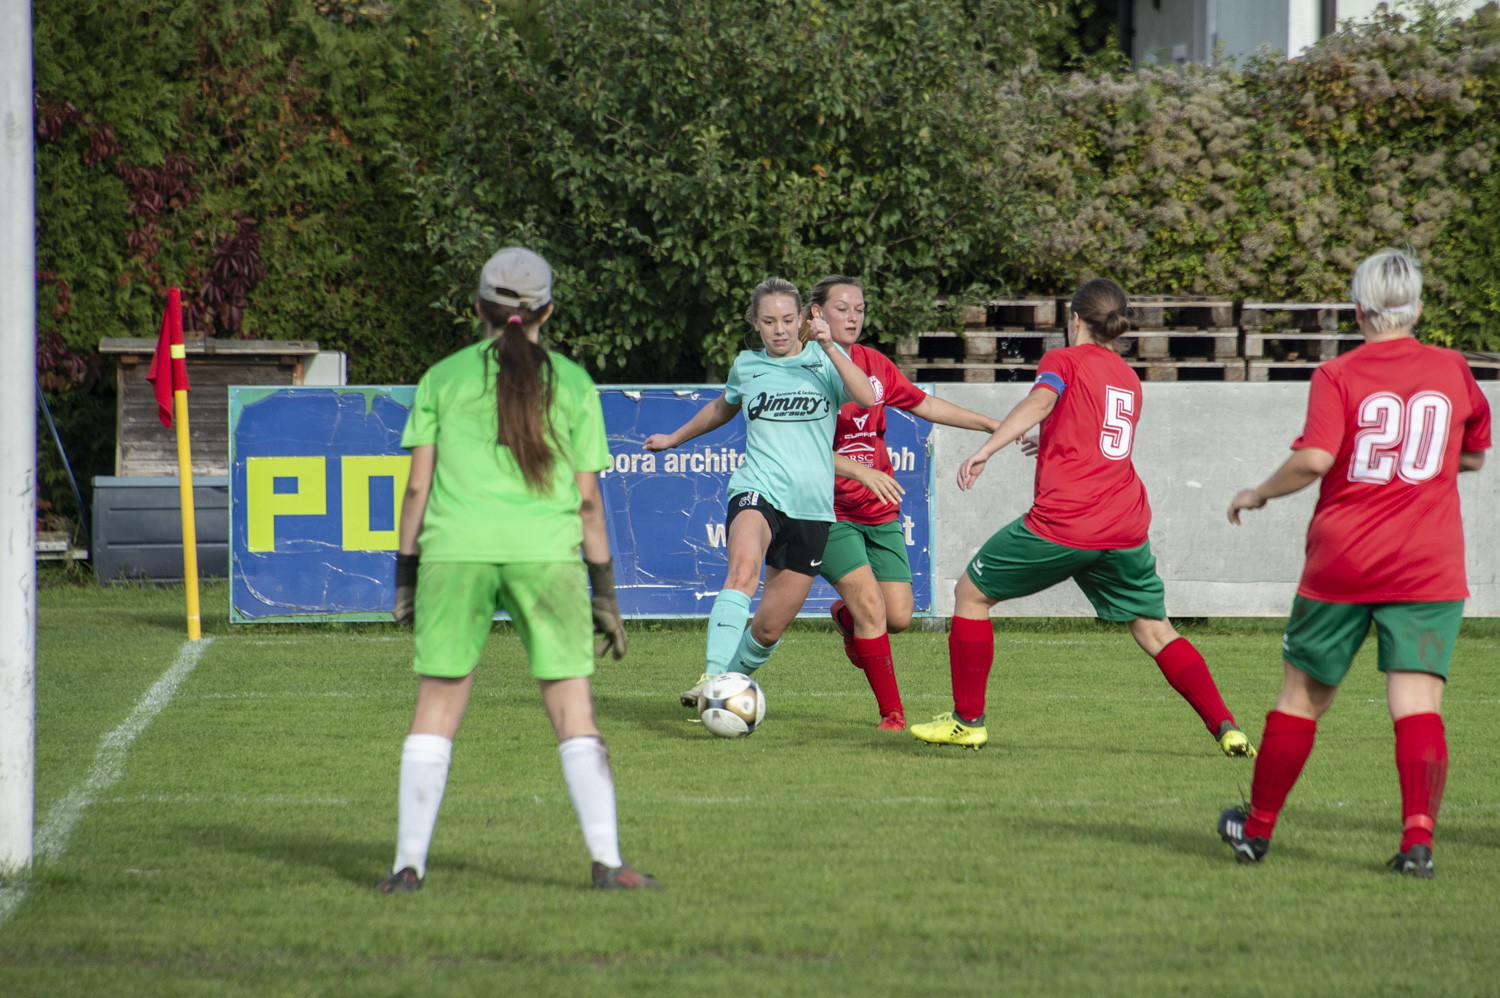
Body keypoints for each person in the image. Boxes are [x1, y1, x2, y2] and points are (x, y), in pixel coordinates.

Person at [380, 246, 657, 893]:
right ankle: (608, 864)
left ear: (477, 308)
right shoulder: (575, 384)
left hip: (455, 553)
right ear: (547, 311)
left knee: (436, 710)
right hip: (546, 556)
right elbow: (588, 502)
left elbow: (417, 489)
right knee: (573, 713)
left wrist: (405, 574)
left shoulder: (442, 378)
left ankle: (407, 868)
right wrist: (605, 591)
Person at [1216, 250, 1490, 878]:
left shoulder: (1337, 374)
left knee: (1302, 698)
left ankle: (1257, 832)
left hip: (1345, 561)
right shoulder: (1452, 368)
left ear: (1359, 310)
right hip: (1428, 563)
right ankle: (1417, 844)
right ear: (1416, 308)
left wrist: (1258, 492)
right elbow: (1472, 454)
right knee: (1417, 704)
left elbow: (1315, 458)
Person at [911, 278, 1254, 757]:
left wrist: (988, 448)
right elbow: (1094, 433)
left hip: (1068, 521)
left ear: (1074, 319)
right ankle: (1227, 727)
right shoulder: (1128, 377)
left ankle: (967, 722)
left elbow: (1041, 401)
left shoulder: (1063, 360)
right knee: (1156, 629)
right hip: (1125, 524)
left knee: (970, 593)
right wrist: (1051, 439)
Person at [643, 277, 878, 710]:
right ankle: (713, 676)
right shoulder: (747, 365)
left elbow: (866, 398)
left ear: (803, 318)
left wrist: (829, 346)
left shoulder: (825, 359)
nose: (779, 330)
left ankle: (728, 685)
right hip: (757, 488)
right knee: (742, 570)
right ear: (755, 322)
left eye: (788, 320)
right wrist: (674, 438)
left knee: (768, 630)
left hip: (811, 509)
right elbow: (722, 407)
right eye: (769, 321)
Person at [810, 275, 999, 731]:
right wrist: (859, 471)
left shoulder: (874, 364)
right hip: (826, 510)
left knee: (898, 616)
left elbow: (924, 406)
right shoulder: (802, 369)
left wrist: (993, 426)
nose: (853, 317)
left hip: (879, 509)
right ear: (816, 313)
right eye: (841, 308)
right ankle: (892, 715)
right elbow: (802, 450)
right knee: (871, 608)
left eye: (859, 309)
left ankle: (845, 619)